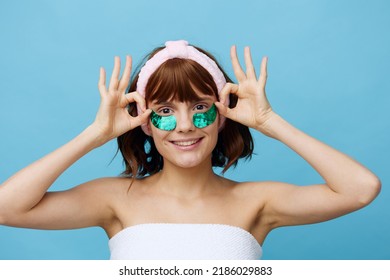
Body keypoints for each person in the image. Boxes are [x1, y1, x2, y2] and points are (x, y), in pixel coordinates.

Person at [0, 40, 381, 260]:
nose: (184, 124)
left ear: (222, 115)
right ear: (145, 123)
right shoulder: (114, 199)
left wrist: (268, 121)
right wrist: (94, 134)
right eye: (165, 111)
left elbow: (360, 189)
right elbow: (7, 208)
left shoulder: (258, 202)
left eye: (200, 107)